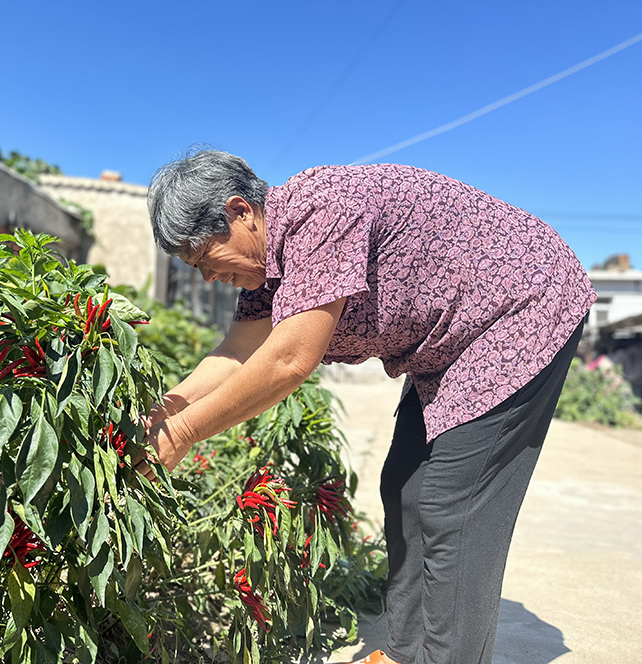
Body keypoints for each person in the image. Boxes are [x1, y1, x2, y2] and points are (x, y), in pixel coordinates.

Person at [138, 148, 595, 664]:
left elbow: (289, 359)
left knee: (452, 505)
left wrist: (182, 434)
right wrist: (161, 414)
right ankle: (403, 653)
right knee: (403, 485)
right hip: (448, 342)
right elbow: (237, 354)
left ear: (241, 213)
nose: (206, 279)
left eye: (204, 260)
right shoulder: (266, 271)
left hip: (521, 307)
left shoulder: (321, 209)